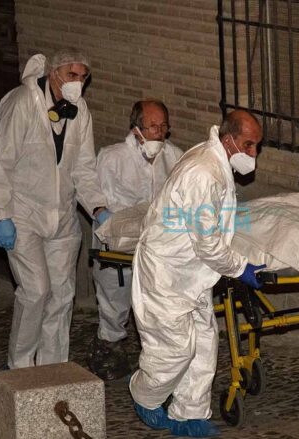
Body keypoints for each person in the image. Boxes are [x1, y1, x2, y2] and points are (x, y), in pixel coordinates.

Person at [129, 110, 264, 437]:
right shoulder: (204, 172)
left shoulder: (214, 162)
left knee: (203, 345)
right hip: (166, 274)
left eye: (257, 146)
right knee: (174, 349)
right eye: (248, 144)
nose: (253, 153)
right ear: (229, 139)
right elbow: (207, 242)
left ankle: (188, 415)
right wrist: (240, 268)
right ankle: (145, 396)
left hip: (193, 274)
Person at [0, 49, 110, 369]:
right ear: (54, 73)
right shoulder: (22, 103)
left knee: (61, 296)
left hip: (63, 216)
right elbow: (0, 164)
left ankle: (54, 367)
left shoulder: (79, 110)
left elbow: (84, 168)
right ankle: (22, 366)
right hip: (23, 213)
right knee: (35, 291)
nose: (78, 82)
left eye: (84, 77)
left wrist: (98, 207)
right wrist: (1, 215)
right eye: (72, 75)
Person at [88, 99, 184, 380]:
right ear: (136, 128)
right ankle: (109, 346)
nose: (159, 132)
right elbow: (101, 199)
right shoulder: (112, 157)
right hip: (118, 245)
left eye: (163, 126)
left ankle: (156, 358)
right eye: (153, 126)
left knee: (155, 304)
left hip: (156, 248)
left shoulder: (174, 156)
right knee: (114, 300)